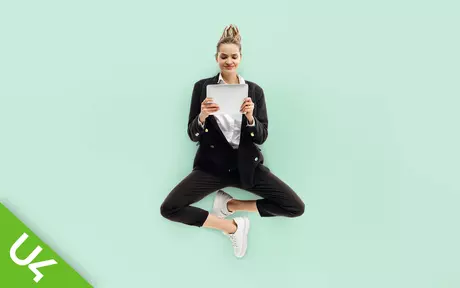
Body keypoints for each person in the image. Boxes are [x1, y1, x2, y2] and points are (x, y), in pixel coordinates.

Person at [160, 24, 305, 258]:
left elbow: (261, 136)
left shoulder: (254, 91)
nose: (229, 61)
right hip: (211, 167)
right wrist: (203, 116)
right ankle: (232, 227)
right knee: (169, 209)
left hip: (246, 167)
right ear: (216, 57)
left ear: (241, 58)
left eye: (234, 56)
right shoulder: (202, 88)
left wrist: (250, 117)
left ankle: (232, 205)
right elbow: (192, 134)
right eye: (224, 56)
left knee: (295, 207)